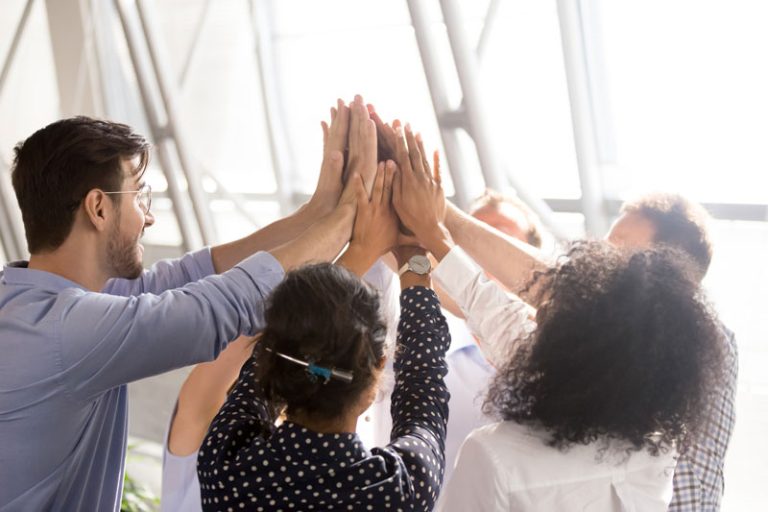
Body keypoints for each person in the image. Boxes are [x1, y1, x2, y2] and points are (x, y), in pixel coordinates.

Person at [0, 95, 375, 511]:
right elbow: (220, 305)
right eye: (140, 196)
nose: (150, 217)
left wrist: (318, 211)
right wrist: (348, 217)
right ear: (99, 208)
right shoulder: (65, 333)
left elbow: (192, 276)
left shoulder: (35, 302)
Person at [378, 127, 727, 510]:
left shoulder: (496, 456)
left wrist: (426, 232)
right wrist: (434, 231)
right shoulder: (656, 451)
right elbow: (499, 316)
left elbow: (505, 314)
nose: (538, 307)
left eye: (615, 257)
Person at [442, 191, 738, 510]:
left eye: (619, 248)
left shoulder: (686, 349)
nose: (601, 256)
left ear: (667, 271)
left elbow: (541, 291)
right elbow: (495, 312)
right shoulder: (645, 359)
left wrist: (441, 217)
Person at [197, 142, 452, 511]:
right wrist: (413, 252)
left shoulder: (226, 468)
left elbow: (269, 359)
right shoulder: (397, 490)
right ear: (379, 369)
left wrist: (362, 245)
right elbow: (423, 387)